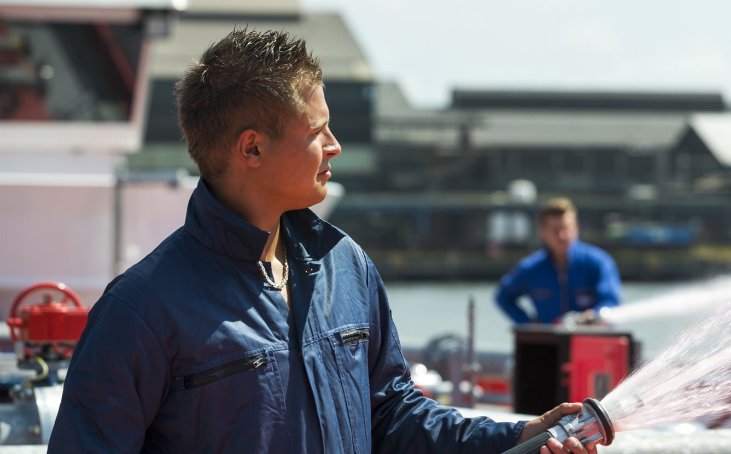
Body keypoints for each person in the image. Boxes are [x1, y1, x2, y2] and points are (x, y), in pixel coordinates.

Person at [48, 28, 596, 454]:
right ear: (252, 148)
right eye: (317, 131)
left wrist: (516, 437)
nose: (334, 146)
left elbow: (392, 416)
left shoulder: (346, 266)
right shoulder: (140, 312)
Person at [496, 197, 622, 325]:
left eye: (566, 228)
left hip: (591, 335)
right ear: (542, 232)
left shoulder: (598, 263)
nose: (562, 236)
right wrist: (528, 324)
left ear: (576, 228)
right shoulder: (531, 269)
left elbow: (611, 301)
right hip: (548, 336)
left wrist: (596, 314)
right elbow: (503, 297)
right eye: (555, 230)